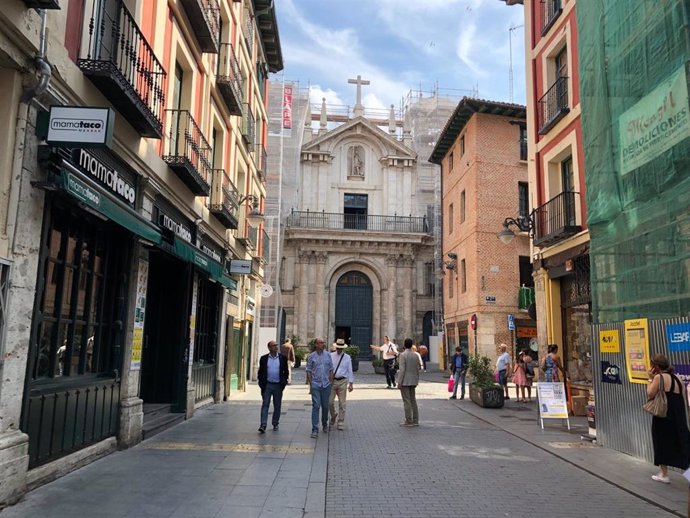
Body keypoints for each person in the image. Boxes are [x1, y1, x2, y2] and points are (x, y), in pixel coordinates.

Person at [647, 354, 690, 484]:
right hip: (679, 416)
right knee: (682, 443)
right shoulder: (678, 379)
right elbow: (682, 397)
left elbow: (650, 394)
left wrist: (649, 379)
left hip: (663, 415)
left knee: (661, 442)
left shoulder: (659, 378)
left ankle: (664, 474)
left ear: (656, 367)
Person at [257, 340, 289, 433]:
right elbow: (261, 372)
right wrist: (261, 383)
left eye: (276, 345)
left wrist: (284, 381)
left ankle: (275, 423)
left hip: (278, 385)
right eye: (274, 345)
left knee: (277, 405)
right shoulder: (263, 358)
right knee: (265, 404)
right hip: (267, 385)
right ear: (269, 348)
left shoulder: (282, 358)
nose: (276, 347)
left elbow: (285, 371)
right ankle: (263, 425)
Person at [306, 338, 334, 438]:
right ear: (316, 344)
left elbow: (331, 369)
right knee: (316, 405)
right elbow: (308, 370)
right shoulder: (311, 356)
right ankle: (315, 428)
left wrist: (330, 382)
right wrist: (311, 383)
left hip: (326, 384)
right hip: (316, 385)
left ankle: (325, 423)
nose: (322, 344)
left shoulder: (328, 355)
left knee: (325, 406)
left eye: (323, 343)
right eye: (320, 343)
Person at [329, 339, 354, 430]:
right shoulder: (330, 356)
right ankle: (333, 415)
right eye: (338, 348)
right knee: (329, 402)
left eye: (341, 348)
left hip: (343, 381)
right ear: (336, 347)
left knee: (342, 403)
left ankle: (341, 421)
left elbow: (349, 370)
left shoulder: (347, 357)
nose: (339, 349)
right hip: (333, 381)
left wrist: (351, 383)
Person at [398, 338, 421, 427]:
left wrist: (399, 382)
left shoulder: (403, 355)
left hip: (405, 381)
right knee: (413, 400)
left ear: (404, 345)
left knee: (406, 401)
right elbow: (417, 369)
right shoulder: (415, 355)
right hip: (413, 380)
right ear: (412, 345)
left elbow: (402, 370)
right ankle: (415, 420)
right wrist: (416, 380)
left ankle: (408, 420)